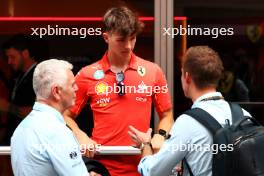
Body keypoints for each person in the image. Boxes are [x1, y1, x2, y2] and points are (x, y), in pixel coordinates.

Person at [64, 6, 174, 176]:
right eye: (121, 40)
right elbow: (65, 115)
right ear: (106, 38)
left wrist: (160, 135)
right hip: (101, 168)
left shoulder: (153, 71)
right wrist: (81, 136)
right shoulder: (88, 74)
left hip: (142, 167)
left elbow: (167, 115)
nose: (129, 46)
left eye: (133, 38)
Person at [128, 46, 251, 176]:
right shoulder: (243, 115)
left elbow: (153, 171)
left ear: (187, 77)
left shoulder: (187, 123)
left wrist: (145, 145)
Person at [10, 59, 90, 176]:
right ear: (56, 91)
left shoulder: (20, 129)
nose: (77, 88)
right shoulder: (58, 131)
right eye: (72, 84)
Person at [0, 34, 37, 145]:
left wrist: (8, 107)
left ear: (25, 54)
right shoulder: (18, 76)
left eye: (12, 57)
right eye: (7, 58)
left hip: (30, 142)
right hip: (17, 139)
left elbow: (40, 113)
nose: (9, 62)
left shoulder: (39, 75)